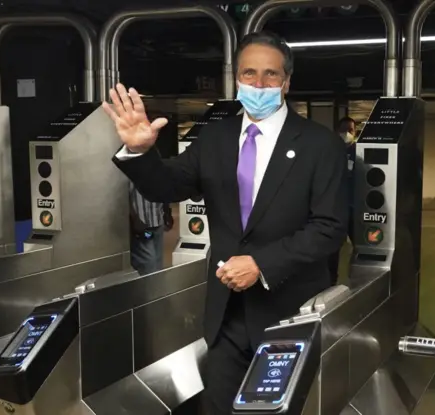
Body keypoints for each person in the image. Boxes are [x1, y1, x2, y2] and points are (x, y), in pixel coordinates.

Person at [102, 30, 348, 415]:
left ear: (286, 82)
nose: (259, 84)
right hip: (226, 316)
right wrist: (140, 152)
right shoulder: (216, 137)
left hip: (289, 313)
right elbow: (167, 186)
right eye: (249, 74)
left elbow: (329, 228)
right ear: (237, 79)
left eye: (270, 75)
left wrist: (262, 264)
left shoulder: (321, 146)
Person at [328, 116, 356, 285]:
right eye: (343, 129)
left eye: (350, 130)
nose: (347, 133)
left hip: (353, 208)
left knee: (360, 246)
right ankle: (330, 282)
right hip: (334, 209)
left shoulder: (359, 152)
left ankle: (357, 280)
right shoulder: (329, 150)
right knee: (331, 249)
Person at [129, 184, 172, 275]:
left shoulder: (158, 170)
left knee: (158, 265)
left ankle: (156, 288)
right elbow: (123, 196)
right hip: (142, 229)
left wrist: (167, 211)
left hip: (158, 222)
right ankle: (148, 288)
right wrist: (135, 219)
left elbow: (162, 189)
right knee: (149, 266)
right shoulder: (133, 170)